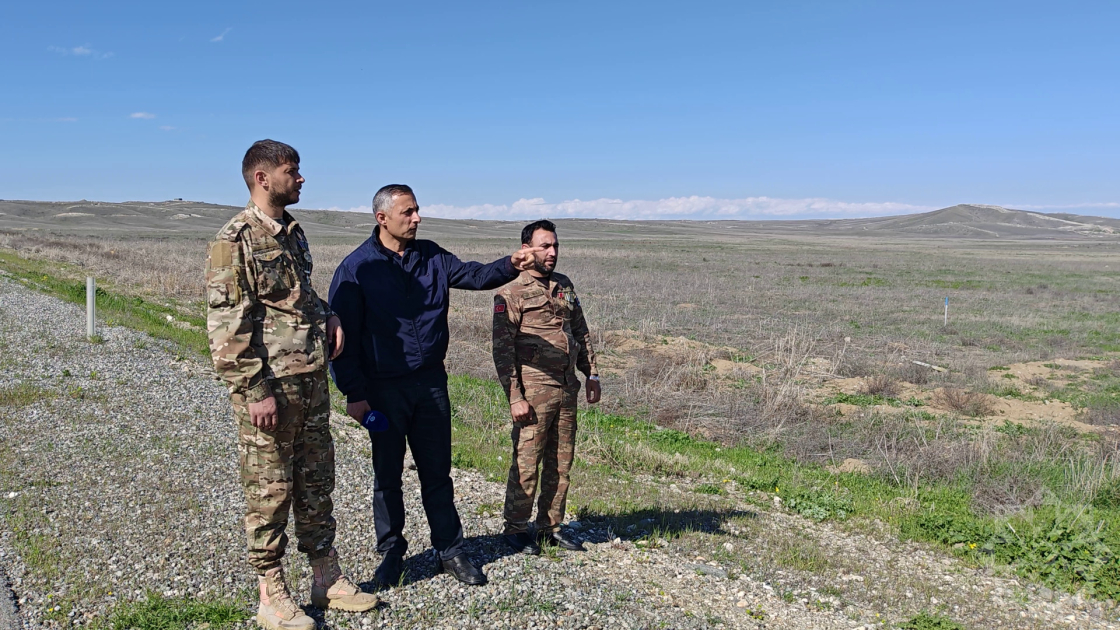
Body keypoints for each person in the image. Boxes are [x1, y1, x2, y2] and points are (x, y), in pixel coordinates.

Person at [328, 184, 541, 587]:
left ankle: (451, 551)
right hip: (382, 390)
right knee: (387, 474)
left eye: (417, 210)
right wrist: (354, 394)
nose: (417, 218)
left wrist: (511, 263)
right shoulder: (357, 269)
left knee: (438, 473)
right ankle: (391, 553)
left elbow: (476, 275)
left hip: (430, 385)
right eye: (408, 212)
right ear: (382, 218)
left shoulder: (432, 256)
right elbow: (342, 340)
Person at [206, 140, 378, 630]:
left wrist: (330, 313)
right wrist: (252, 389)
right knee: (270, 488)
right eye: (292, 171)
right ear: (263, 178)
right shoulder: (234, 239)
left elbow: (296, 297)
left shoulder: (293, 234)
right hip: (271, 387)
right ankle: (270, 592)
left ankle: (326, 576)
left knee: (316, 479)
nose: (301, 179)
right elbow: (226, 326)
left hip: (310, 382)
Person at [492, 220, 601, 555]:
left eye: (555, 246)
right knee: (528, 461)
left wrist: (591, 374)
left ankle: (550, 527)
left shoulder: (563, 285)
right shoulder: (511, 291)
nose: (552, 253)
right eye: (544, 246)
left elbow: (579, 329)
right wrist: (515, 398)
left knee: (561, 461)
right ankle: (514, 528)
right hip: (534, 389)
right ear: (526, 249)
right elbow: (502, 350)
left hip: (567, 386)